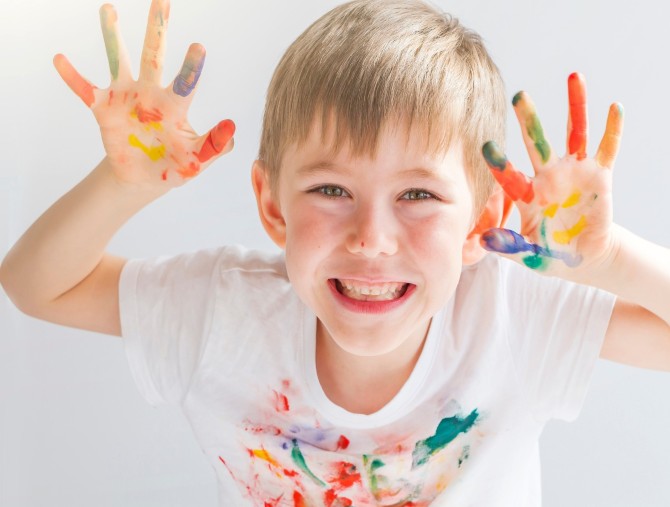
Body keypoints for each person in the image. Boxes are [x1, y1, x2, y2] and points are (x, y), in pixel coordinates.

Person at [1, 0, 668, 504]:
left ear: (482, 219)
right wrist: (120, 185)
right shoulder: (223, 313)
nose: (371, 237)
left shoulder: (513, 315)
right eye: (330, 188)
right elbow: (35, 285)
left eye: (418, 195)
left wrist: (608, 258)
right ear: (272, 205)